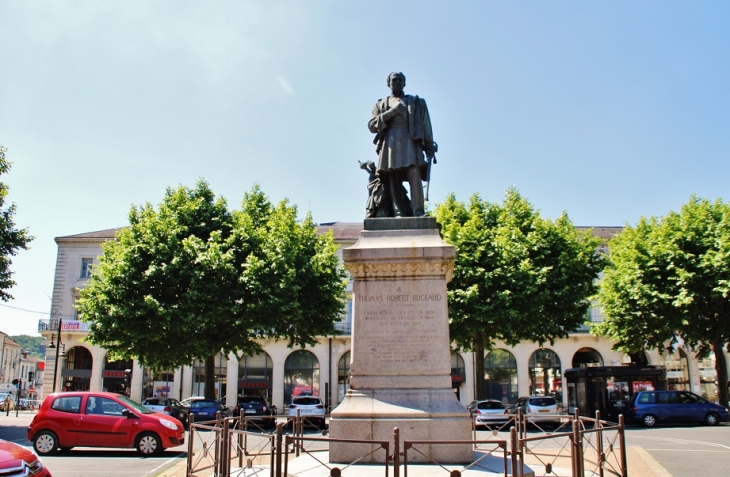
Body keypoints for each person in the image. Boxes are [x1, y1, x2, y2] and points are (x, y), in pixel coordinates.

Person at [368, 72, 437, 217]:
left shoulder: (416, 102)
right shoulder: (381, 104)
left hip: (410, 142)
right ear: (389, 83)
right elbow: (372, 126)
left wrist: (429, 146)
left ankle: (418, 212)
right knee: (394, 178)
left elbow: (426, 125)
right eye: (394, 80)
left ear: (404, 83)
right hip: (390, 143)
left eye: (400, 80)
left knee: (414, 174)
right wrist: (391, 112)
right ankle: (398, 212)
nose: (397, 82)